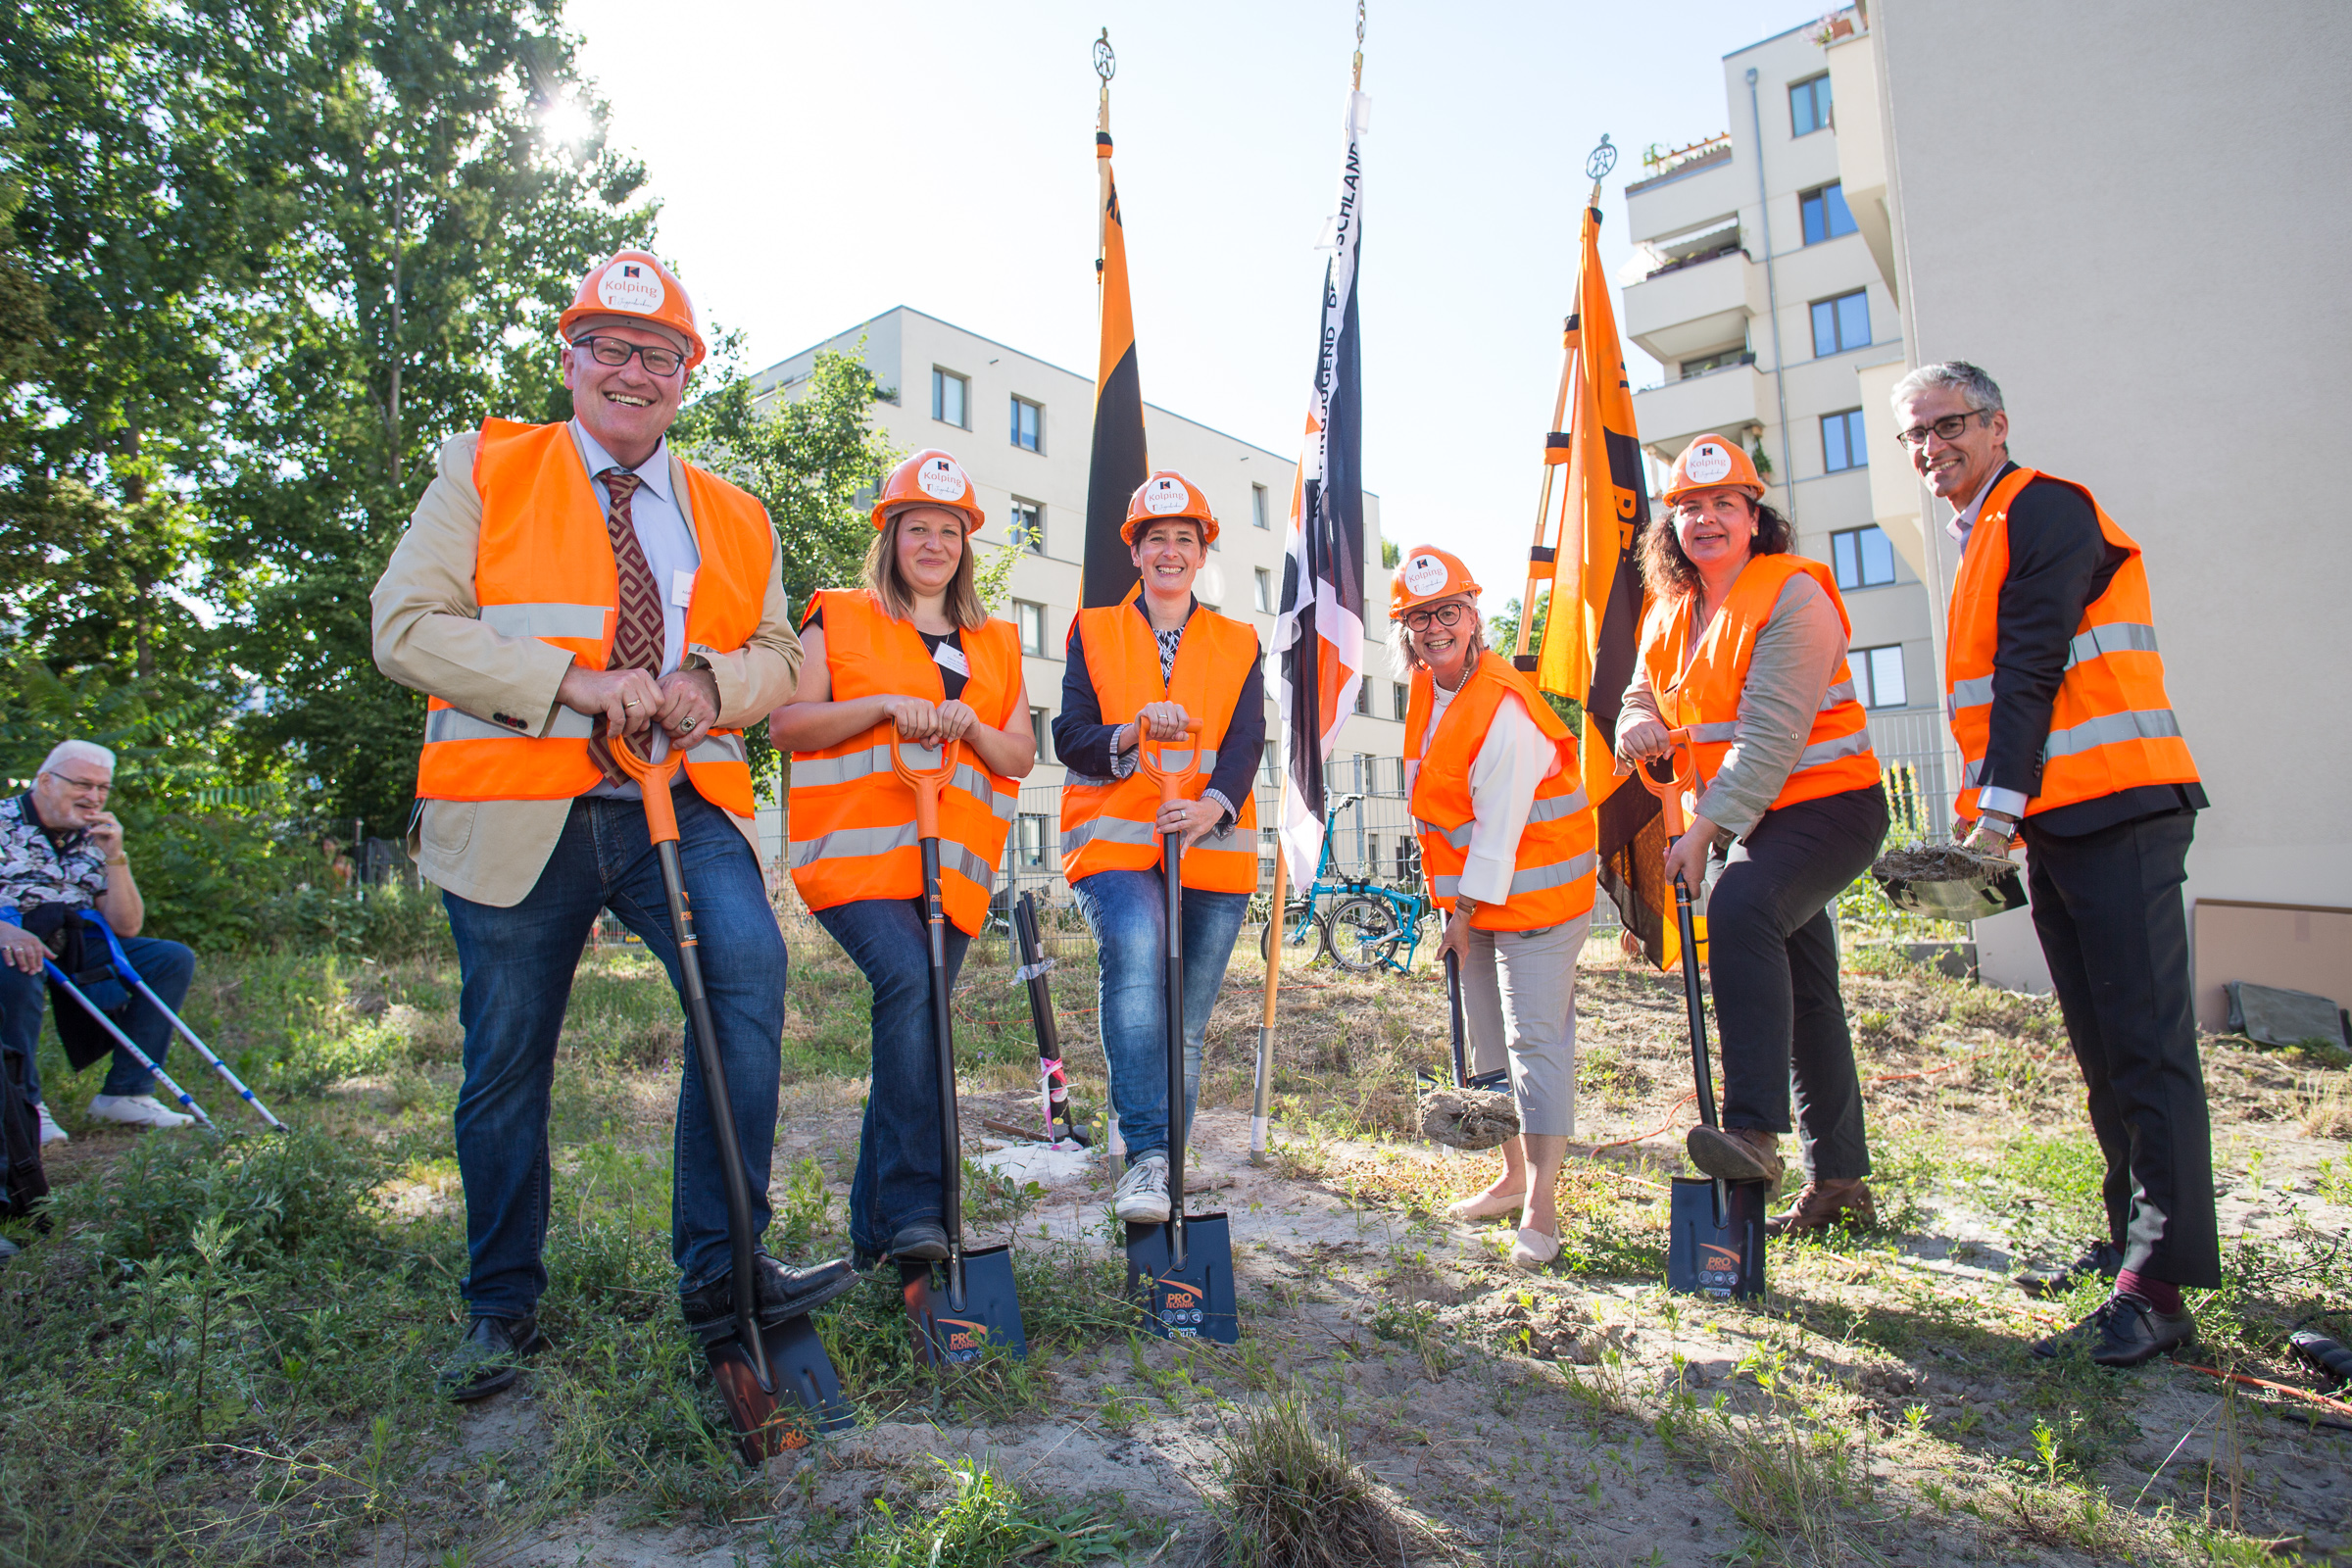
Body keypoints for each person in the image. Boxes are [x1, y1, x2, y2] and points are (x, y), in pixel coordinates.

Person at [370, 249, 855, 1402]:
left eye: (659, 355)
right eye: (610, 348)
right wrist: (569, 681)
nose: (632, 373)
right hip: (516, 811)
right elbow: (403, 626)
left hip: (675, 804)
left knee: (745, 978)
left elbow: (781, 654)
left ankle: (722, 1271)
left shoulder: (737, 515)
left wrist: (703, 684)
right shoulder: (486, 471)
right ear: (571, 358)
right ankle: (500, 1306)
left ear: (687, 373)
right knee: (504, 1066)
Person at [1894, 362, 2212, 1368]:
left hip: (2119, 809)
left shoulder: (2047, 510)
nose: (1929, 448)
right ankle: (2130, 1244)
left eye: (1945, 425)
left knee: (2148, 1047)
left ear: (1995, 424)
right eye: (1915, 436)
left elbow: (2032, 663)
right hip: (2063, 823)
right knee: (2103, 1047)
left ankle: (2159, 1287)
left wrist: (1990, 818)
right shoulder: (1980, 532)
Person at [1616, 435, 1888, 1235]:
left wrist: (1702, 835)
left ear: (1753, 516)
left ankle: (1754, 1132)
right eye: (1690, 508)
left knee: (1740, 909)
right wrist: (1638, 724)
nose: (1706, 520)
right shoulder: (1669, 612)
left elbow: (1768, 739)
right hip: (1750, 819)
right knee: (1807, 993)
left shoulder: (1793, 596)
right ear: (1670, 527)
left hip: (1830, 806)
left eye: (1723, 505)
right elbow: (1643, 695)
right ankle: (1840, 1183)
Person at [770, 448, 1036, 1269]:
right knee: (913, 991)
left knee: (913, 1027)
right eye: (916, 527)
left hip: (950, 872)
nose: (933, 543)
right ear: (890, 536)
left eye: (948, 531)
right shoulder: (840, 615)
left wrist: (971, 729)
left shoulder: (995, 642)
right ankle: (920, 1209)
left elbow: (1019, 754)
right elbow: (787, 725)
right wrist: (884, 706)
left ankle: (873, 1240)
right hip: (854, 863)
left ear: (965, 545)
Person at [1053, 472, 1263, 1224]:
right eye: (1156, 539)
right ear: (1135, 553)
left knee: (1187, 1018)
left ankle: (1166, 1163)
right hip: (1115, 846)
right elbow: (1069, 737)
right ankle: (1145, 1155)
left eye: (1185, 538)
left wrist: (1215, 803)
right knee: (1140, 953)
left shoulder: (1239, 641)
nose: (1170, 551)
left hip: (1211, 846)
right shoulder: (1093, 629)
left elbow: (1245, 741)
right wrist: (1126, 734)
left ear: (1201, 553)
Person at [1391, 549, 1597, 1270]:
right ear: (1409, 632)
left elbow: (1500, 831)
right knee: (1486, 1046)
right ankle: (1511, 1178)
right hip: (1473, 906)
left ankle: (1542, 1211)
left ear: (1474, 616)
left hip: (1537, 898)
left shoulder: (1504, 704)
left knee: (1534, 1045)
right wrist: (1452, 907)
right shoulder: (1426, 690)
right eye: (1420, 618)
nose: (1435, 628)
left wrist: (1460, 914)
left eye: (1448, 611)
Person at [0, 740, 198, 1137]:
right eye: (83, 785)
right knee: (18, 965)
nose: (94, 797)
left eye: (103, 788)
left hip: (73, 939)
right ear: (45, 781)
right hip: (10, 938)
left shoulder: (96, 834)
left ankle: (126, 1095)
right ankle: (25, 1106)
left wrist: (115, 855)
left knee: (171, 958)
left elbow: (127, 926)